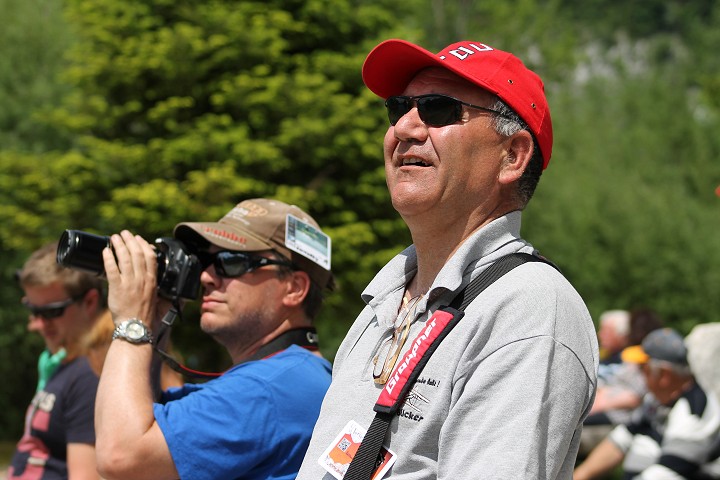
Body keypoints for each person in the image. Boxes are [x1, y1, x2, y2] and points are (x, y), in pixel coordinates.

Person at [297, 39, 599, 479]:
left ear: (512, 156)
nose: (404, 128)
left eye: (438, 109)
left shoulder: (528, 307)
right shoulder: (383, 300)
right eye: (398, 108)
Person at [94, 198, 335, 480]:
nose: (207, 276)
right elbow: (133, 418)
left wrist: (132, 322)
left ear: (294, 288)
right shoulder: (294, 376)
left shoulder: (267, 389)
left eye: (230, 262)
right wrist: (154, 321)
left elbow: (120, 456)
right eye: (205, 261)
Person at [9, 242, 105, 479]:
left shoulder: (90, 374)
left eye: (51, 311)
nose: (37, 324)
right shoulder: (65, 364)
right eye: (32, 309)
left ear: (90, 302)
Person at [574, 328, 720, 479]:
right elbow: (620, 440)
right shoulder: (656, 399)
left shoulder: (694, 412)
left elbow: (665, 474)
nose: (636, 372)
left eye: (642, 367)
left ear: (664, 375)